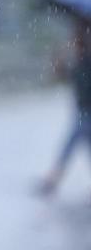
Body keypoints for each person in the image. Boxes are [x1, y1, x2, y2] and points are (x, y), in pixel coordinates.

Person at [38, 19, 91, 196]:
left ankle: (53, 178)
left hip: (86, 112)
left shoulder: (85, 61)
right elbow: (61, 75)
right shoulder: (80, 60)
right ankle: (53, 178)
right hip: (82, 111)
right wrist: (58, 56)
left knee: (71, 142)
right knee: (77, 142)